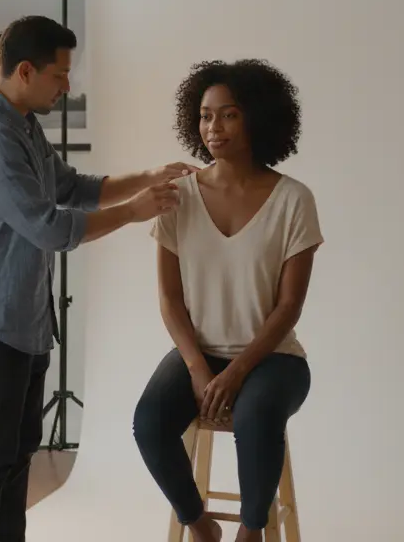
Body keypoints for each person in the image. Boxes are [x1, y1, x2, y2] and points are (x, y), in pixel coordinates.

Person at [0, 14, 196, 542]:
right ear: (27, 70)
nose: (67, 85)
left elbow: (72, 187)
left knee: (15, 462)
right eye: (60, 75)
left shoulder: (23, 123)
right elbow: (50, 227)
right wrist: (135, 211)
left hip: (26, 321)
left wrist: (148, 178)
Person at [132, 59, 322, 542]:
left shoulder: (293, 200)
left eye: (228, 114)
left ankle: (251, 530)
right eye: (205, 115)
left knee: (256, 417)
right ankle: (200, 524)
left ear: (256, 117)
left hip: (273, 360)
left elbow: (289, 307)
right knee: (149, 422)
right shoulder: (179, 195)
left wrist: (235, 373)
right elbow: (170, 300)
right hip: (200, 352)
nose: (213, 128)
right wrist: (199, 369)